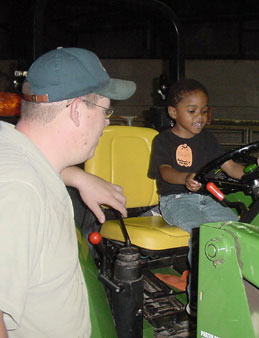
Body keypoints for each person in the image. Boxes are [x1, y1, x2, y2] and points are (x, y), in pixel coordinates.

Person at [0, 47, 136, 338]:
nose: (108, 122)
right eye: (106, 110)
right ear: (76, 111)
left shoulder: (16, 151)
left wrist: (76, 176)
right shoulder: (17, 191)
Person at [149, 78, 245, 315]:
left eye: (203, 110)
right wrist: (185, 178)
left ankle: (234, 292)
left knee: (237, 231)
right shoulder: (163, 140)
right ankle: (199, 302)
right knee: (204, 236)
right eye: (191, 111)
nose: (199, 116)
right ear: (173, 112)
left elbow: (231, 167)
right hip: (176, 200)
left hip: (209, 198)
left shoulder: (208, 140)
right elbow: (165, 172)